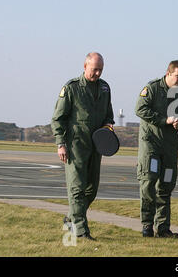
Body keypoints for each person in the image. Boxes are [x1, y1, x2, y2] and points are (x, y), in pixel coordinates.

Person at [51, 52, 114, 240]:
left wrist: (108, 126)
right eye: (94, 69)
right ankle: (80, 231)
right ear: (85, 66)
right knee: (77, 188)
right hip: (76, 145)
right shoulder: (71, 88)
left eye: (100, 70)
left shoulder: (104, 88)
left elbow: (108, 115)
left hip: (96, 145)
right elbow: (58, 118)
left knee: (91, 189)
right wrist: (60, 144)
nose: (97, 73)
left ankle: (71, 218)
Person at [135, 60, 178, 238]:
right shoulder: (152, 89)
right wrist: (164, 120)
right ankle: (147, 225)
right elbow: (140, 109)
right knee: (149, 183)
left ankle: (163, 227)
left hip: (169, 147)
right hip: (151, 144)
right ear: (168, 73)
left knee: (166, 185)